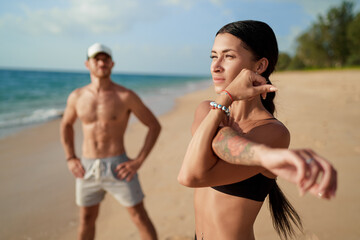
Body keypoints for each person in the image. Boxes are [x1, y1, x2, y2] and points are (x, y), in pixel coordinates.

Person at [178, 21, 337, 240]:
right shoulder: (207, 110)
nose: (216, 66)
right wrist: (225, 100)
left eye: (229, 56)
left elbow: (190, 176)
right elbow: (221, 142)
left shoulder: (273, 132)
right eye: (214, 56)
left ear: (260, 66)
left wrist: (225, 98)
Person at [60, 43, 160, 240]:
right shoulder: (77, 97)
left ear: (112, 63)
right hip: (86, 168)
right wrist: (70, 157)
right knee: (86, 219)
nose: (101, 63)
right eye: (96, 59)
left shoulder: (125, 96)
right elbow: (66, 125)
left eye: (105, 59)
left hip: (119, 165)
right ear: (87, 64)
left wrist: (138, 161)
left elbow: (154, 125)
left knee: (139, 216)